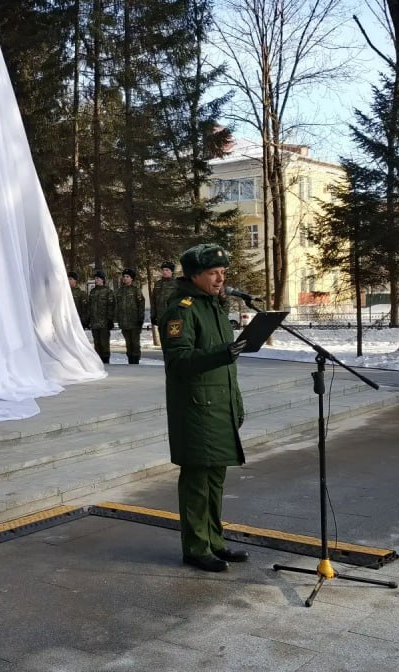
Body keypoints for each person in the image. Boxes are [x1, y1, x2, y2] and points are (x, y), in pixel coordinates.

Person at [158, 243, 249, 573]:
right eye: (213, 273)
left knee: (215, 480)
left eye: (223, 272)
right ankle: (196, 547)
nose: (220, 279)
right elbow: (179, 361)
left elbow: (226, 367)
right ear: (194, 275)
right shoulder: (181, 311)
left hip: (219, 407)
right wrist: (223, 353)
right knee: (197, 482)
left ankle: (214, 541)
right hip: (196, 409)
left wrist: (235, 402)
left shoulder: (214, 307)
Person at [115, 268, 145, 364]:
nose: (125, 278)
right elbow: (117, 306)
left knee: (135, 343)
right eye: (124, 276)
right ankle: (130, 360)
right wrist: (117, 319)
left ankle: (135, 360)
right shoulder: (120, 291)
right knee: (128, 343)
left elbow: (141, 305)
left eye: (127, 276)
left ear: (132, 278)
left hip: (134, 321)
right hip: (124, 322)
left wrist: (140, 318)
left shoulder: (136, 290)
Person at [86, 271, 116, 364]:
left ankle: (106, 361)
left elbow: (111, 307)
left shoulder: (108, 292)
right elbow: (89, 307)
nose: (96, 280)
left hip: (104, 323)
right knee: (97, 344)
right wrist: (88, 319)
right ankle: (98, 362)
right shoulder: (93, 292)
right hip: (94, 323)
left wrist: (110, 320)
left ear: (102, 279)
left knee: (104, 343)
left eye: (98, 278)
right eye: (95, 278)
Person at [151, 261, 177, 347]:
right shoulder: (158, 284)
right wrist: (153, 315)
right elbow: (153, 301)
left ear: (172, 271)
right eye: (163, 270)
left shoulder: (177, 284)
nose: (164, 272)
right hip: (161, 318)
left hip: (173, 318)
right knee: (164, 342)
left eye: (167, 270)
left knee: (173, 342)